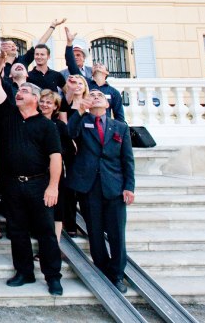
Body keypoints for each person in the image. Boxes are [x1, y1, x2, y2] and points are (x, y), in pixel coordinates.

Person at [0, 54, 64, 296]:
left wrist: (53, 186)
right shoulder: (8, 114)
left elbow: (56, 158)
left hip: (39, 185)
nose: (19, 93)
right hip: (12, 184)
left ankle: (53, 277)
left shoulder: (47, 126)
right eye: (19, 90)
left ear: (36, 99)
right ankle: (24, 273)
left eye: (25, 91)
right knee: (17, 231)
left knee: (46, 232)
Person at [67, 88, 135, 293]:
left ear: (107, 104)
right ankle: (102, 268)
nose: (96, 97)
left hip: (114, 186)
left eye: (100, 96)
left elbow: (127, 160)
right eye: (92, 95)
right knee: (95, 232)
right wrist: (80, 110)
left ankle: (117, 274)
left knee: (117, 234)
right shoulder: (82, 122)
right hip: (89, 186)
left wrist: (129, 187)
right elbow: (69, 133)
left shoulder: (120, 127)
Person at [39, 90, 78, 240]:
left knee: (57, 207)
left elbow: (70, 148)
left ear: (55, 106)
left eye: (49, 102)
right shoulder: (32, 121)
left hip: (55, 170)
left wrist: (55, 153)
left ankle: (55, 242)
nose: (44, 105)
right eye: (42, 101)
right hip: (37, 171)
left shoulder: (59, 125)